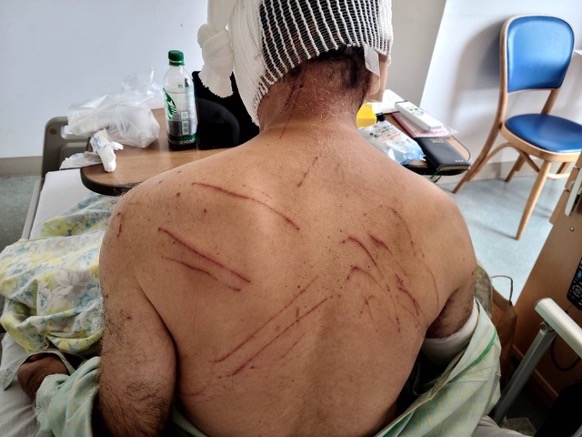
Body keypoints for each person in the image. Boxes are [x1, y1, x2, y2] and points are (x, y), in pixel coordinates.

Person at [15, 0, 505, 436]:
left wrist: (54, 386)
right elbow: (455, 374)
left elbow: (131, 425)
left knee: (40, 367)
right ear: (378, 68)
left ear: (248, 66)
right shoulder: (444, 221)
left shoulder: (145, 217)